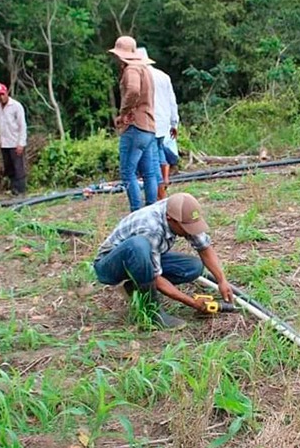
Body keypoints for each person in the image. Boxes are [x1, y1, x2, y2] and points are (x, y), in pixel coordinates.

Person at [93, 192, 233, 329]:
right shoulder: (151, 228)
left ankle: (134, 286)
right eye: (185, 228)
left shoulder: (181, 212)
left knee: (193, 266)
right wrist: (192, 303)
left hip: (140, 258)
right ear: (170, 218)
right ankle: (152, 313)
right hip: (109, 266)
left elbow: (204, 247)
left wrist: (222, 280)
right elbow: (156, 277)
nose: (189, 231)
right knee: (138, 246)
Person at [108, 36, 158, 212]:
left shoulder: (132, 70)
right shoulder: (145, 69)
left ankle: (136, 211)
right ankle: (152, 210)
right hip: (149, 127)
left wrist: (124, 113)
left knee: (128, 173)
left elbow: (134, 90)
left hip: (135, 127)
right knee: (149, 173)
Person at [137, 47, 180, 200]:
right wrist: (174, 123)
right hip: (164, 122)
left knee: (152, 160)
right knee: (160, 150)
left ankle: (160, 195)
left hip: (149, 123)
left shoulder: (141, 77)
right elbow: (172, 101)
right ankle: (164, 181)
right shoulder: (163, 76)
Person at [0, 83, 27, 196]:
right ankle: (13, 189)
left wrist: (21, 143)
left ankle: (21, 190)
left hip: (15, 142)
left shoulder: (16, 106)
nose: (1, 97)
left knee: (18, 167)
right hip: (5, 142)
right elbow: (1, 125)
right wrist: (0, 139)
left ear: (6, 93)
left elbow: (22, 125)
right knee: (9, 167)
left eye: (2, 94)